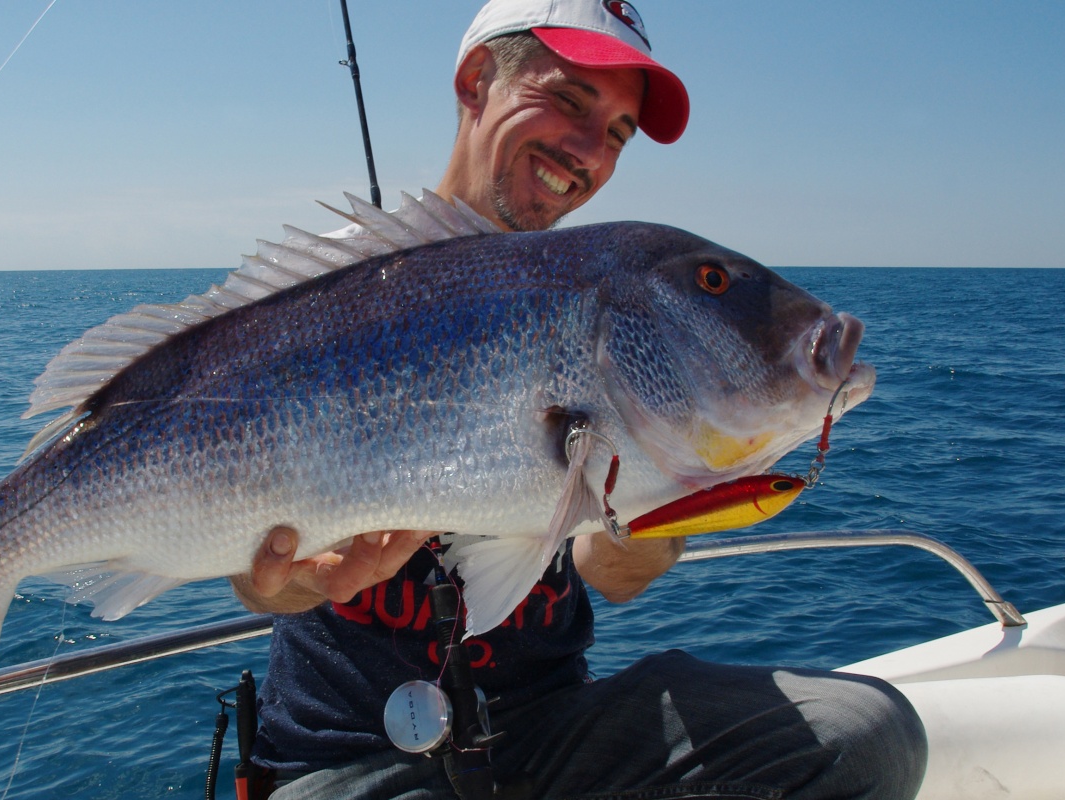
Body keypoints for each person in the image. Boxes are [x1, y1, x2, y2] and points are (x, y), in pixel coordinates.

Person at [229, 2, 929, 798]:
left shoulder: (599, 301)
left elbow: (616, 573)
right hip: (350, 758)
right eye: (568, 101)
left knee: (864, 735)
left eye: (620, 132)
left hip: (554, 734)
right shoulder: (318, 296)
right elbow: (257, 584)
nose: (591, 149)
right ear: (475, 80)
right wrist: (297, 577)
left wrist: (682, 485)